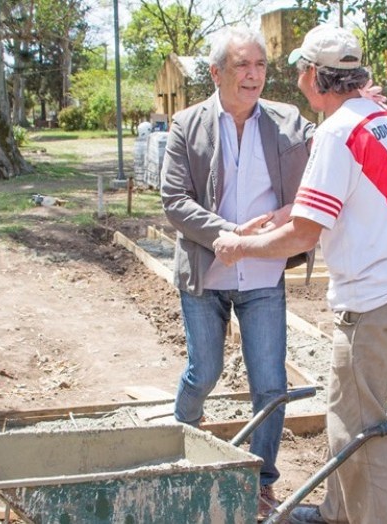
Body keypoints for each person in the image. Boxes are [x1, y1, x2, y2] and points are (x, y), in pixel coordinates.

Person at [213, 24, 387, 524]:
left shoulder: (336, 133)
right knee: (343, 413)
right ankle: (336, 514)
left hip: (370, 296)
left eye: (299, 72)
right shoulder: (375, 118)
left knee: (361, 429)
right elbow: (331, 202)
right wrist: (280, 216)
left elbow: (305, 235)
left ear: (313, 76)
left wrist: (240, 246)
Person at [160, 25, 315, 519]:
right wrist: (228, 233)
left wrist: (359, 104)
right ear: (216, 72)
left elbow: (330, 147)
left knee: (269, 383)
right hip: (208, 273)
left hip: (264, 273)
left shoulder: (288, 122)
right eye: (242, 66)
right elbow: (174, 201)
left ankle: (261, 481)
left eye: (260, 66)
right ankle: (180, 448)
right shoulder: (187, 125)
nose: (253, 76)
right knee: (203, 372)